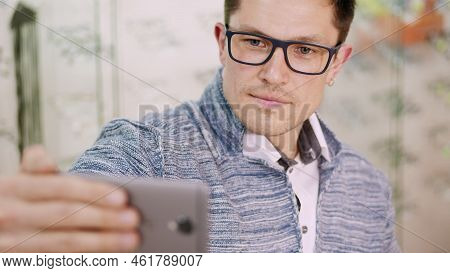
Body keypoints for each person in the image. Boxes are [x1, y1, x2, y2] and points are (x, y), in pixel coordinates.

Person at [0, 0, 400, 252]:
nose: (275, 75)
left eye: (305, 50)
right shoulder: (146, 154)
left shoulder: (368, 185)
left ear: (337, 64)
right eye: (255, 43)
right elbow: (68, 236)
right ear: (223, 44)